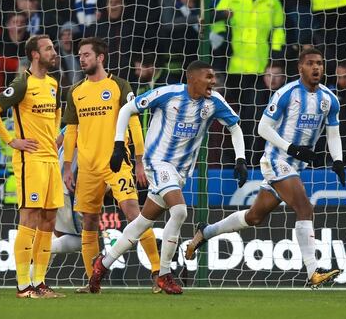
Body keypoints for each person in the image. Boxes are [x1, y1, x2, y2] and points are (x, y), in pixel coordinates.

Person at [184, 47, 344, 288]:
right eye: (311, 63)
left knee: (254, 216)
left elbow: (334, 134)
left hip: (295, 166)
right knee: (304, 207)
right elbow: (263, 128)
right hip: (276, 160)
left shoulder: (329, 99)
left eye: (320, 63)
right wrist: (291, 148)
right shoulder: (286, 94)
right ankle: (313, 272)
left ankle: (204, 232)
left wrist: (338, 160)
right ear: (300, 67)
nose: (316, 68)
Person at [88, 60, 247, 295]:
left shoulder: (214, 102)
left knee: (143, 222)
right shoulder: (167, 94)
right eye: (208, 77)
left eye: (214, 77)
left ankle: (103, 263)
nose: (213, 81)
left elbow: (235, 126)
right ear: (192, 78)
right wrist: (119, 144)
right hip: (157, 163)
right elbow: (126, 109)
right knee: (180, 211)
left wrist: (241, 159)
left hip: (181, 171)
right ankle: (164, 275)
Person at [61, 38, 162, 293]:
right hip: (87, 167)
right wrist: (66, 166)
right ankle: (92, 281)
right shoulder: (75, 91)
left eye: (86, 55)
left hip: (117, 164)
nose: (82, 59)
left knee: (134, 213)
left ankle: (159, 273)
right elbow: (71, 131)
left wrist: (139, 161)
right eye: (80, 55)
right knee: (89, 222)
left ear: (100, 57)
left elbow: (134, 123)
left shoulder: (119, 85)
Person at [0, 34, 63, 299]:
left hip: (51, 160)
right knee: (29, 218)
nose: (54, 52)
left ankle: (39, 282)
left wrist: (55, 141)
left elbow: (56, 115)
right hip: (31, 161)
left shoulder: (53, 84)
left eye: (53, 47)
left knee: (49, 220)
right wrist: (12, 140)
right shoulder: (22, 83)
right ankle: (22, 285)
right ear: (35, 55)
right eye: (48, 48)